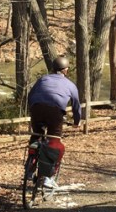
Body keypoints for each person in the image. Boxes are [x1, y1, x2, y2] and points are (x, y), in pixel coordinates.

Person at [27, 56, 81, 187]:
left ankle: (29, 168)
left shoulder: (42, 79)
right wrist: (76, 122)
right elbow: (76, 106)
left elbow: (30, 95)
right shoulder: (70, 85)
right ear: (66, 70)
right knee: (54, 143)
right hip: (55, 112)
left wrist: (32, 112)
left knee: (37, 135)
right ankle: (47, 177)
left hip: (36, 108)